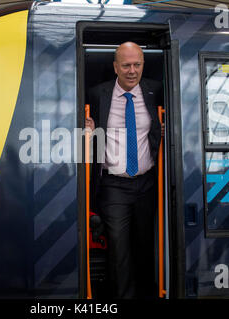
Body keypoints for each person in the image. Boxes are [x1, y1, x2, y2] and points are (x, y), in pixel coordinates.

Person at [85, 41, 163, 299]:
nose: (132, 71)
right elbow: (83, 127)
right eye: (126, 65)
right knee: (119, 249)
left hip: (147, 184)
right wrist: (85, 130)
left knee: (145, 245)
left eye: (137, 64)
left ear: (143, 64)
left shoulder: (155, 91)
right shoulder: (97, 94)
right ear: (116, 67)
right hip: (113, 186)